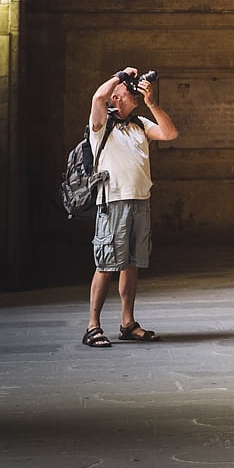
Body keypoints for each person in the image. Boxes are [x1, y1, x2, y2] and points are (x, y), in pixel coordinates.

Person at [82, 67, 179, 349]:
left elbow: (170, 133)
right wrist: (121, 75)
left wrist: (152, 103)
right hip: (113, 201)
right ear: (116, 97)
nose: (134, 91)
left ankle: (128, 323)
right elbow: (98, 97)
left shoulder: (140, 124)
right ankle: (92, 326)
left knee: (132, 264)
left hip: (140, 200)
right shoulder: (101, 122)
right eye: (128, 90)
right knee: (106, 264)